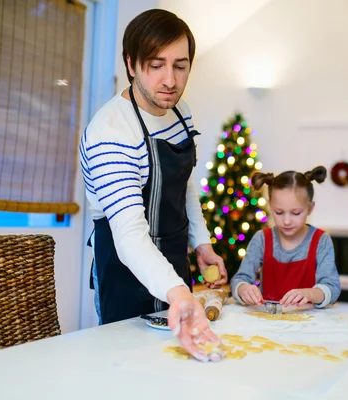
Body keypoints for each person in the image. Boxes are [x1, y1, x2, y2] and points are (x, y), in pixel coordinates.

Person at [79, 9, 225, 361]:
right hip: (125, 269)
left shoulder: (180, 111)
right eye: (156, 64)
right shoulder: (111, 133)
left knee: (177, 365)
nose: (170, 80)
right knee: (130, 368)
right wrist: (179, 293)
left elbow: (182, 183)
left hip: (175, 261)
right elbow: (129, 237)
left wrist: (201, 243)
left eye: (180, 65)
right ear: (131, 65)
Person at [230, 166, 341, 308]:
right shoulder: (262, 239)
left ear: (310, 208)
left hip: (310, 324)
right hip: (269, 322)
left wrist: (310, 294)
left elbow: (332, 288)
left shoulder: (321, 240)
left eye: (295, 213)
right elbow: (240, 279)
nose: (287, 221)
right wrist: (242, 288)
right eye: (279, 212)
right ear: (270, 206)